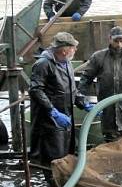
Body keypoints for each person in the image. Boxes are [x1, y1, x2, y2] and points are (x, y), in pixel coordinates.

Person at [29, 32, 92, 166]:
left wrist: (84, 103)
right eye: (73, 47)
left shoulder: (67, 62)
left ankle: (61, 184)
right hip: (49, 122)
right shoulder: (43, 64)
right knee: (54, 161)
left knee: (66, 156)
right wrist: (53, 112)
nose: (75, 49)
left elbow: (71, 89)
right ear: (64, 50)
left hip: (66, 118)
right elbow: (35, 90)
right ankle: (53, 185)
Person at [78, 26, 122, 142]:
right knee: (109, 136)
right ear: (109, 39)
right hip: (106, 106)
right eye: (115, 41)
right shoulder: (98, 57)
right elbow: (86, 78)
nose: (118, 44)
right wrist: (81, 98)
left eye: (121, 41)